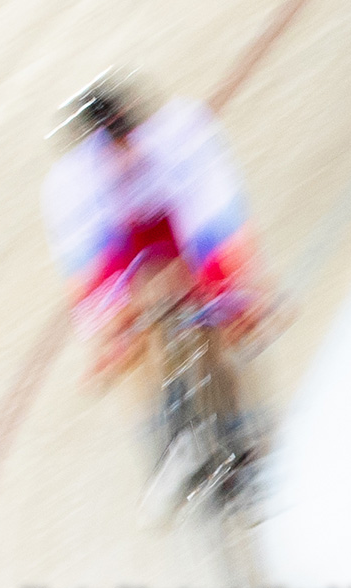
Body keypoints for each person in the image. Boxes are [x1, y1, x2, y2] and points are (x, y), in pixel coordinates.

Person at [41, 73, 272, 510]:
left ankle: (241, 435)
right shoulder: (71, 188)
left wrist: (238, 292)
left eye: (127, 139)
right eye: (110, 148)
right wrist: (110, 338)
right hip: (116, 247)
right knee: (131, 338)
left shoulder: (180, 137)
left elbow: (219, 218)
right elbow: (88, 276)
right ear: (92, 152)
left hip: (181, 224)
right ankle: (162, 446)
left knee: (219, 315)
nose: (123, 155)